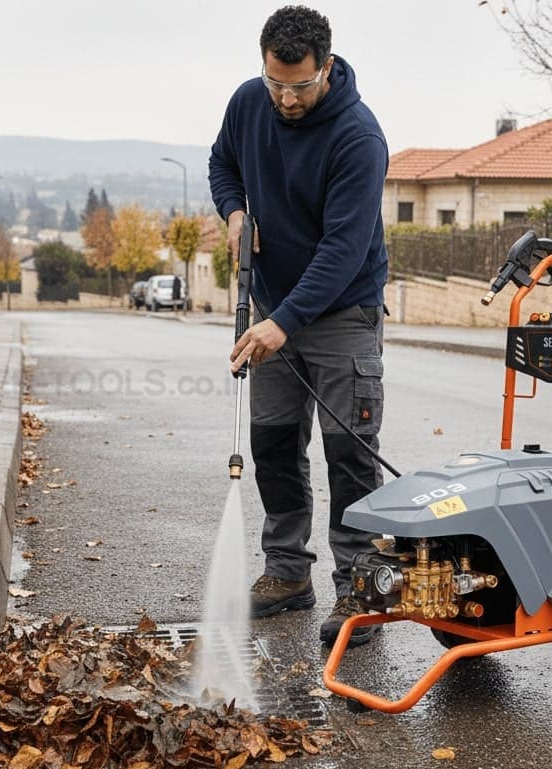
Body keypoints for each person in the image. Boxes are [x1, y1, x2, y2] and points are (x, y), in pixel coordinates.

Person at [208, 5, 388, 647]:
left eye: (300, 86)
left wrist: (283, 322)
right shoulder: (248, 103)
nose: (286, 98)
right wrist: (233, 213)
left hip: (343, 314)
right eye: (275, 83)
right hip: (277, 309)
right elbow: (222, 163)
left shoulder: (358, 137)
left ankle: (361, 590)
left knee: (349, 456)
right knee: (274, 445)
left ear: (327, 69)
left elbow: (343, 250)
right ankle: (287, 574)